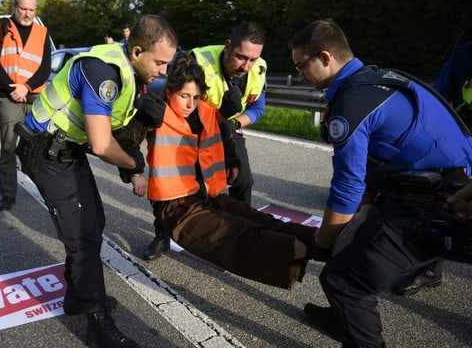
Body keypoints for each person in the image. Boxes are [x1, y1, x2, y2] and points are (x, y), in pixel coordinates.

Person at [289, 19, 472, 347]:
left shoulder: (351, 103)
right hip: (432, 183)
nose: (300, 76)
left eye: (302, 67)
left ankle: (354, 324)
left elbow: (347, 188)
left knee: (342, 279)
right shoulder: (375, 79)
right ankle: (344, 317)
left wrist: (322, 241)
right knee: (352, 241)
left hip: (443, 199)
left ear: (326, 57)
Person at [23, 15, 178, 348]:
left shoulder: (128, 69)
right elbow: (103, 144)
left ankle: (77, 298)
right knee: (82, 237)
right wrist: (135, 164)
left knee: (94, 224)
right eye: (161, 62)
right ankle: (98, 326)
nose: (164, 70)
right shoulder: (103, 71)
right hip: (46, 153)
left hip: (67, 149)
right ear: (136, 50)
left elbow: (116, 130)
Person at [123, 52, 323, 290]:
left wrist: (232, 161)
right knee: (235, 233)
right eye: (184, 96)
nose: (190, 104)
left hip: (211, 194)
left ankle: (326, 241)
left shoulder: (207, 110)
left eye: (196, 97)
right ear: (170, 90)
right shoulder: (156, 109)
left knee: (260, 219)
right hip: (175, 204)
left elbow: (225, 133)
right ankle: (299, 248)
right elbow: (126, 140)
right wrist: (135, 174)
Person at [141, 21, 268, 260]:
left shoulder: (258, 67)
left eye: (252, 59)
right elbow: (174, 89)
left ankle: (239, 236)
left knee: (243, 181)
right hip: (187, 128)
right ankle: (162, 235)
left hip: (225, 127)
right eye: (241, 57)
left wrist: (234, 123)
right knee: (172, 187)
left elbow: (259, 108)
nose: (247, 66)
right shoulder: (199, 59)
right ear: (228, 46)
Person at [390, 22, 472, 296]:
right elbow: (443, 90)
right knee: (443, 201)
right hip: (464, 135)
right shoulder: (468, 39)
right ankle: (428, 266)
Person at [0, 0, 51, 211]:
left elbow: (45, 68)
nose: (27, 14)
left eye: (32, 10)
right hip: (8, 96)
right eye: (23, 9)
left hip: (34, 96)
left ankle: (50, 192)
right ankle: (8, 195)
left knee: (42, 146)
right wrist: (12, 88)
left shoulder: (42, 33)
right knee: (9, 146)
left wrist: (26, 86)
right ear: (15, 7)